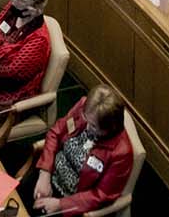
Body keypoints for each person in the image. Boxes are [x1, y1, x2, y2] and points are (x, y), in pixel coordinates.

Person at [31, 83, 134, 215]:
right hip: (49, 173)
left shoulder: (121, 153)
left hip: (71, 202)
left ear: (109, 129)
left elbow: (101, 195)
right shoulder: (85, 107)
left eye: (94, 126)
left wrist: (60, 205)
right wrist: (45, 173)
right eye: (86, 118)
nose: (87, 127)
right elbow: (55, 133)